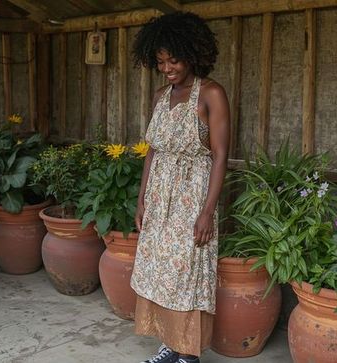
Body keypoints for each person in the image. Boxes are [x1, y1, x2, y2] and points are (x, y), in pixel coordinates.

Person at [130, 11, 230, 363]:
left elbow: (220, 156)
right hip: (160, 197)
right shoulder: (161, 95)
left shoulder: (211, 94)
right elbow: (152, 151)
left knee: (188, 273)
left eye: (174, 59)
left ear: (193, 53)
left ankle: (188, 354)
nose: (168, 68)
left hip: (192, 199)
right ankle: (169, 344)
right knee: (161, 271)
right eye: (161, 62)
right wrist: (141, 200)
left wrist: (207, 212)